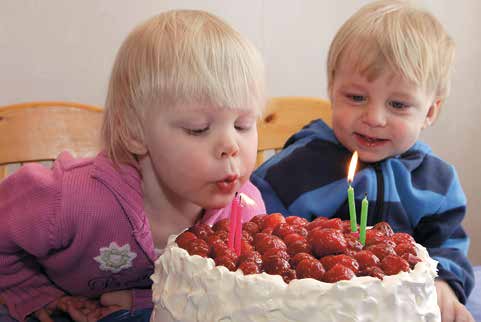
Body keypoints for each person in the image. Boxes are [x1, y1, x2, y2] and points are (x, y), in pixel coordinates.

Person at [0, 9, 266, 322]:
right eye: (198, 128)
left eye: (244, 124)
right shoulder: (70, 199)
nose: (231, 146)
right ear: (134, 132)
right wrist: (32, 292)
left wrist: (137, 298)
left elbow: (228, 293)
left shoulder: (246, 213)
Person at [252, 1, 474, 321]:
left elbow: (447, 246)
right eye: (356, 97)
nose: (373, 117)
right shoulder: (290, 171)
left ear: (430, 112)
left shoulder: (436, 183)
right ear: (331, 89)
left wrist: (443, 282)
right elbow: (262, 244)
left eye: (398, 104)